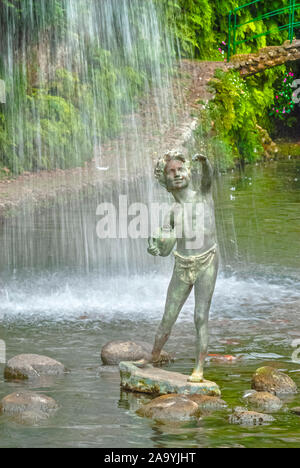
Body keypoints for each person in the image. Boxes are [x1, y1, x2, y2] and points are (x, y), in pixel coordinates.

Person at [138, 150, 219, 383]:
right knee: (168, 317)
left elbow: (208, 178)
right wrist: (155, 248)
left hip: (207, 259)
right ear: (165, 180)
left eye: (180, 169)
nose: (177, 174)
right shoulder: (171, 213)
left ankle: (199, 368)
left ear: (189, 173)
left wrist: (205, 162)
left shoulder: (202, 195)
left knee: (200, 316)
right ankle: (152, 357)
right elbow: (165, 247)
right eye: (171, 172)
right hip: (182, 263)